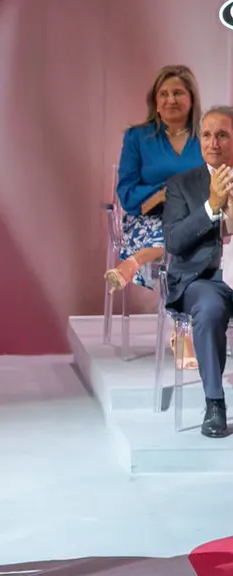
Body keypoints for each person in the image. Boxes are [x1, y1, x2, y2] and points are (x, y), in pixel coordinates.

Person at [105, 65, 204, 368]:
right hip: (147, 219)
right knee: (181, 246)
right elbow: (126, 192)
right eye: (164, 94)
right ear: (155, 101)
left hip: (194, 217)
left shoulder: (207, 136)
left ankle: (136, 261)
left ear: (191, 99)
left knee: (188, 238)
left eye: (178, 93)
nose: (171, 99)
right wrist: (161, 194)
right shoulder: (138, 137)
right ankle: (182, 331)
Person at [162, 106, 233, 438]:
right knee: (210, 308)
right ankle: (214, 403)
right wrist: (211, 206)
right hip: (201, 279)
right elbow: (174, 241)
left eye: (222, 135)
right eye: (206, 135)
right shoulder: (182, 184)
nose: (213, 142)